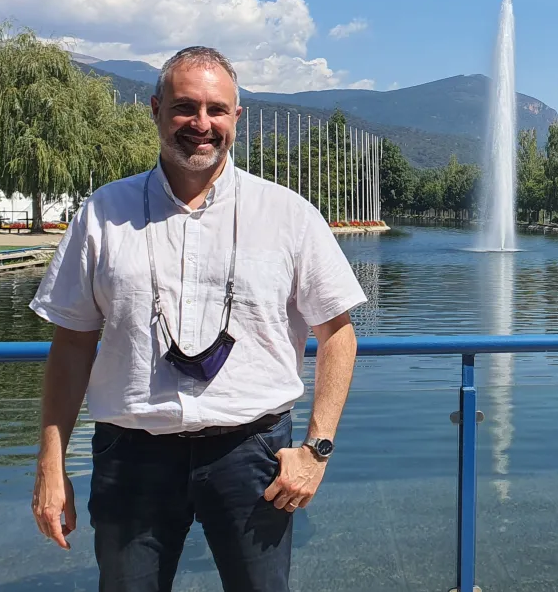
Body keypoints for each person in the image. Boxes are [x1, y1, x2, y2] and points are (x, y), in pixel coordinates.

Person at [28, 46, 367, 592]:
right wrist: (50, 460)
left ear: (238, 118)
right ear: (157, 109)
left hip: (253, 453)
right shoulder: (103, 213)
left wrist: (316, 449)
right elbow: (71, 344)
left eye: (216, 109)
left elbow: (338, 333)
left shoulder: (287, 215)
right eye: (186, 107)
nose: (201, 124)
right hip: (131, 452)